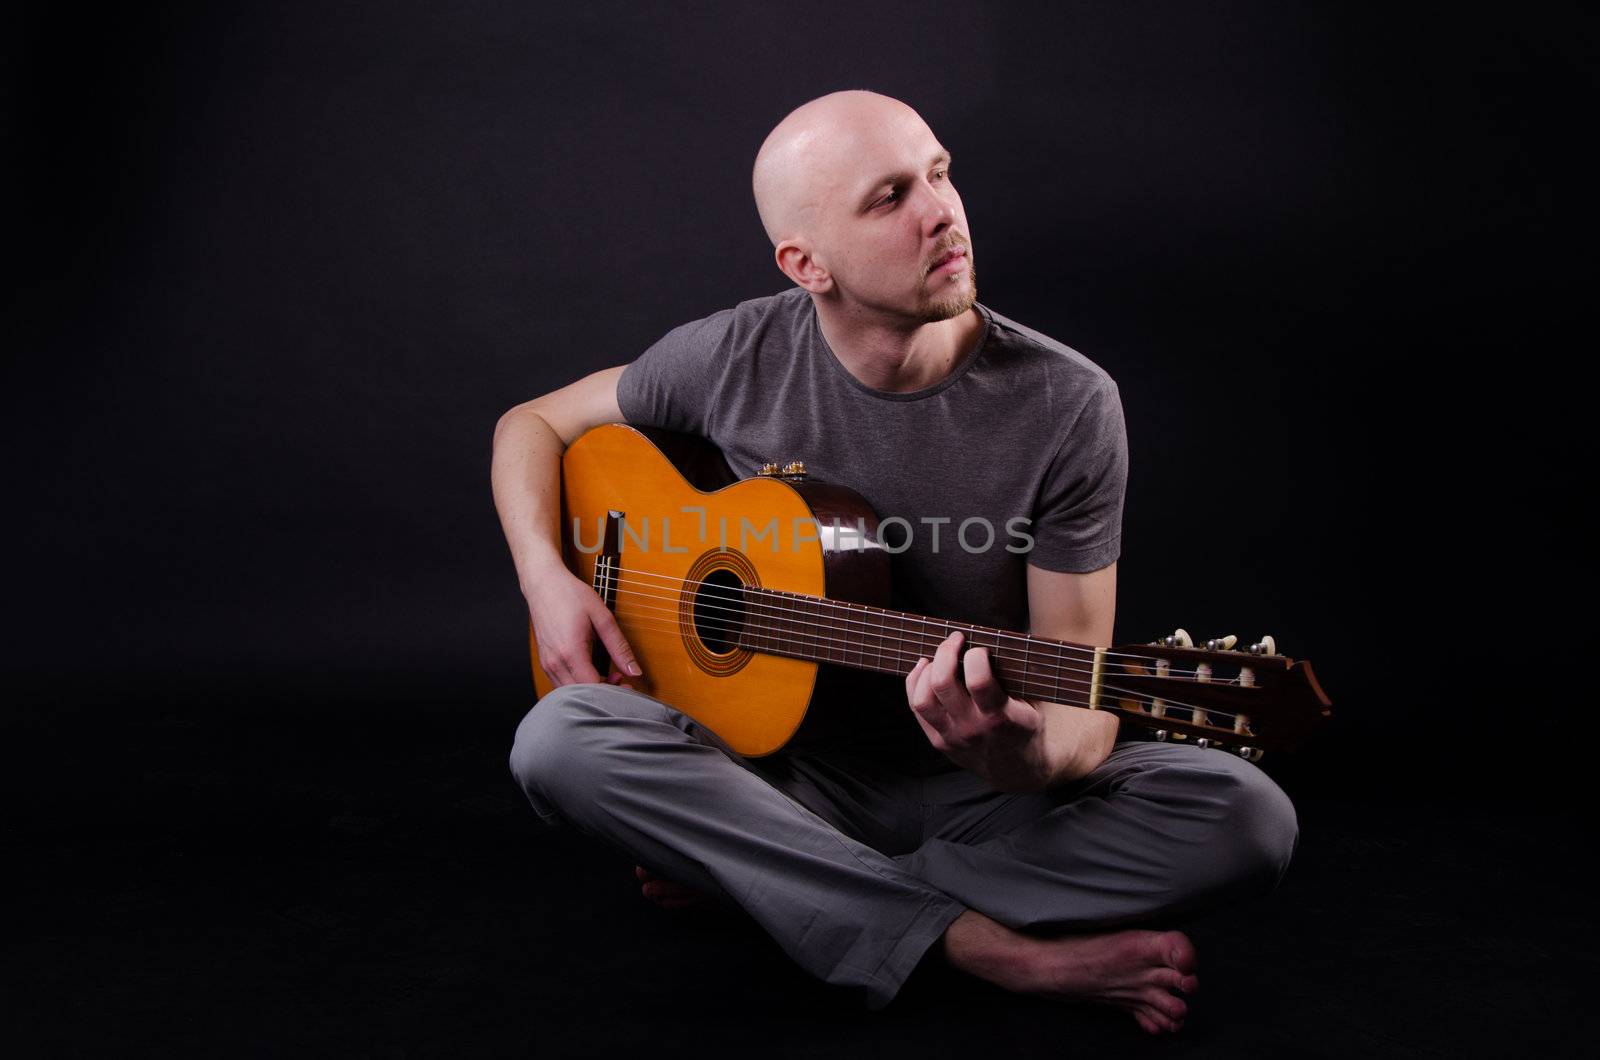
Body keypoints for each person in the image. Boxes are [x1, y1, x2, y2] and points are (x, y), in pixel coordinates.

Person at [492, 90, 1297, 1035]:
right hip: (782, 774)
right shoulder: (734, 356)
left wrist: (1013, 748)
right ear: (806, 264)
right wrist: (546, 578)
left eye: (940, 173)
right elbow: (532, 423)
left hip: (982, 801)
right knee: (558, 739)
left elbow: (1080, 714)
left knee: (1247, 817)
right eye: (889, 198)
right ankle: (980, 947)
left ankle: (786, 891)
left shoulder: (1069, 403)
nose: (942, 211)